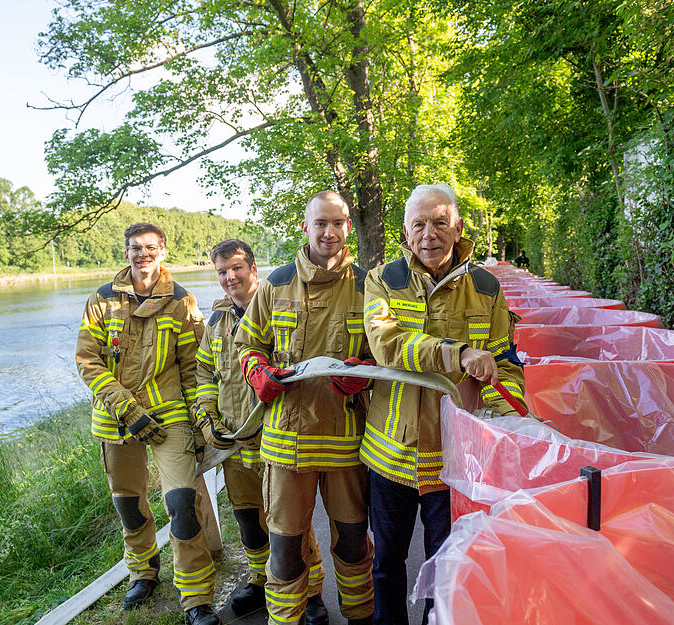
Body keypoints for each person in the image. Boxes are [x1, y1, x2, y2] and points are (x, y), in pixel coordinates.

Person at [361, 183, 527, 625]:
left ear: (458, 228)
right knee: (385, 565)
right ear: (405, 232)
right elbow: (388, 344)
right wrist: (458, 354)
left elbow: (505, 365)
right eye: (418, 224)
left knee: (446, 569)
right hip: (391, 455)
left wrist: (512, 425)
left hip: (455, 458)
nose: (428, 234)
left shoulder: (487, 288)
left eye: (439, 222)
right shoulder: (381, 281)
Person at [234, 191, 375, 625]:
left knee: (353, 543)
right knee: (285, 550)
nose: (330, 232)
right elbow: (247, 344)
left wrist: (366, 373)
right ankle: (285, 619)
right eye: (321, 223)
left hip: (347, 440)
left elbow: (384, 352)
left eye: (338, 223)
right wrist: (258, 373)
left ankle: (360, 617)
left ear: (347, 226)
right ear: (306, 227)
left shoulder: (369, 286)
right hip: (285, 442)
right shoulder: (275, 284)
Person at [75, 222, 219, 625]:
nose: (143, 254)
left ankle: (196, 598)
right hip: (115, 418)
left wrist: (201, 423)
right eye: (136, 248)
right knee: (128, 503)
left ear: (163, 251)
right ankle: (143, 572)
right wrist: (126, 408)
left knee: (182, 503)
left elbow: (193, 369)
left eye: (150, 247)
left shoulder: (181, 301)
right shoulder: (102, 300)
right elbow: (88, 361)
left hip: (169, 414)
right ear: (126, 253)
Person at [192, 239, 327, 617]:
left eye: (237, 268)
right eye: (222, 271)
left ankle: (312, 591)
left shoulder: (277, 309)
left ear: (253, 269)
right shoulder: (216, 322)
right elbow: (205, 373)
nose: (230, 277)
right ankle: (258, 579)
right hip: (234, 443)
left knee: (289, 524)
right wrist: (208, 418)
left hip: (275, 439)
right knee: (248, 520)